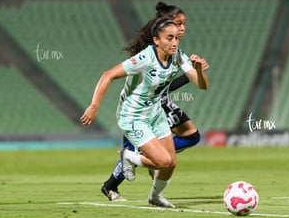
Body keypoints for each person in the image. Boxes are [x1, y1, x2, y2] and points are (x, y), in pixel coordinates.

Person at [80, 17, 209, 208]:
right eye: (169, 38)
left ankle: (155, 197)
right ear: (156, 40)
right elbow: (108, 75)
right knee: (163, 161)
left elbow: (202, 85)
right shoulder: (145, 58)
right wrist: (94, 106)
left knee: (171, 163)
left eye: (176, 38)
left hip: (155, 114)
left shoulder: (179, 56)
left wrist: (198, 70)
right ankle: (128, 156)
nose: (174, 42)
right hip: (133, 117)